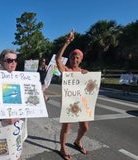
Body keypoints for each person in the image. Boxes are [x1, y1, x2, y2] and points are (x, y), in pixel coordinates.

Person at [55, 29, 88, 160]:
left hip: (81, 103)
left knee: (85, 127)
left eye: (77, 57)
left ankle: (77, 141)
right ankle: (63, 148)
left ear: (80, 60)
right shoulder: (66, 70)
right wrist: (67, 42)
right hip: (69, 103)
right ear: (70, 58)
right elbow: (58, 60)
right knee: (66, 127)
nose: (74, 59)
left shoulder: (84, 72)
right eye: (72, 57)